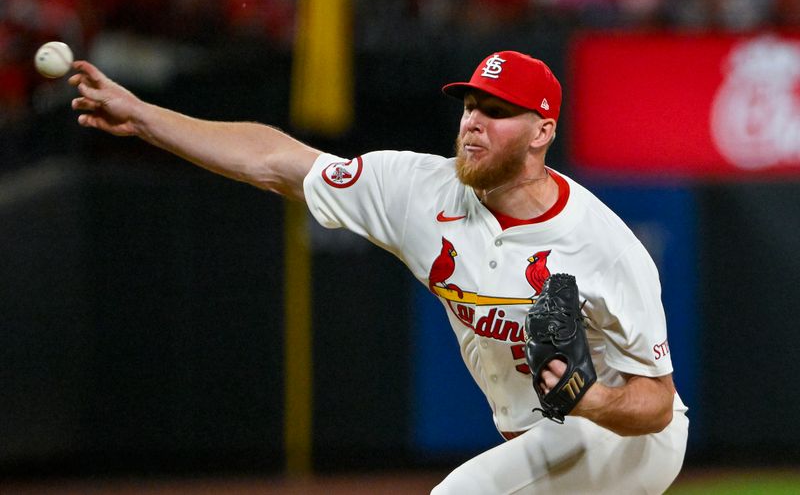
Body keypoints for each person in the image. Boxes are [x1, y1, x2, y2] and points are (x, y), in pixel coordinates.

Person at [69, 50, 688, 494]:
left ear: (542, 131)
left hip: (625, 441)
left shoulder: (603, 245)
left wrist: (590, 397)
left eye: (497, 110)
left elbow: (657, 404)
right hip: (533, 434)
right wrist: (146, 117)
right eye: (470, 104)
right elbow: (277, 162)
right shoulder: (417, 189)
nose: (473, 121)